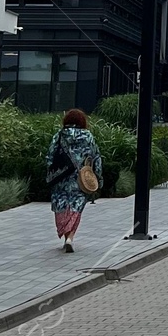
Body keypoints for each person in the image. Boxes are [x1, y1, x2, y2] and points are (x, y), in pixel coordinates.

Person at [46, 108, 103, 252]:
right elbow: (96, 157)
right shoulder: (88, 136)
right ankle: (70, 238)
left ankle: (67, 238)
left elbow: (50, 156)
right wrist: (98, 177)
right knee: (76, 208)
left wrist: (50, 172)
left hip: (61, 178)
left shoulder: (59, 135)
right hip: (80, 178)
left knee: (61, 207)